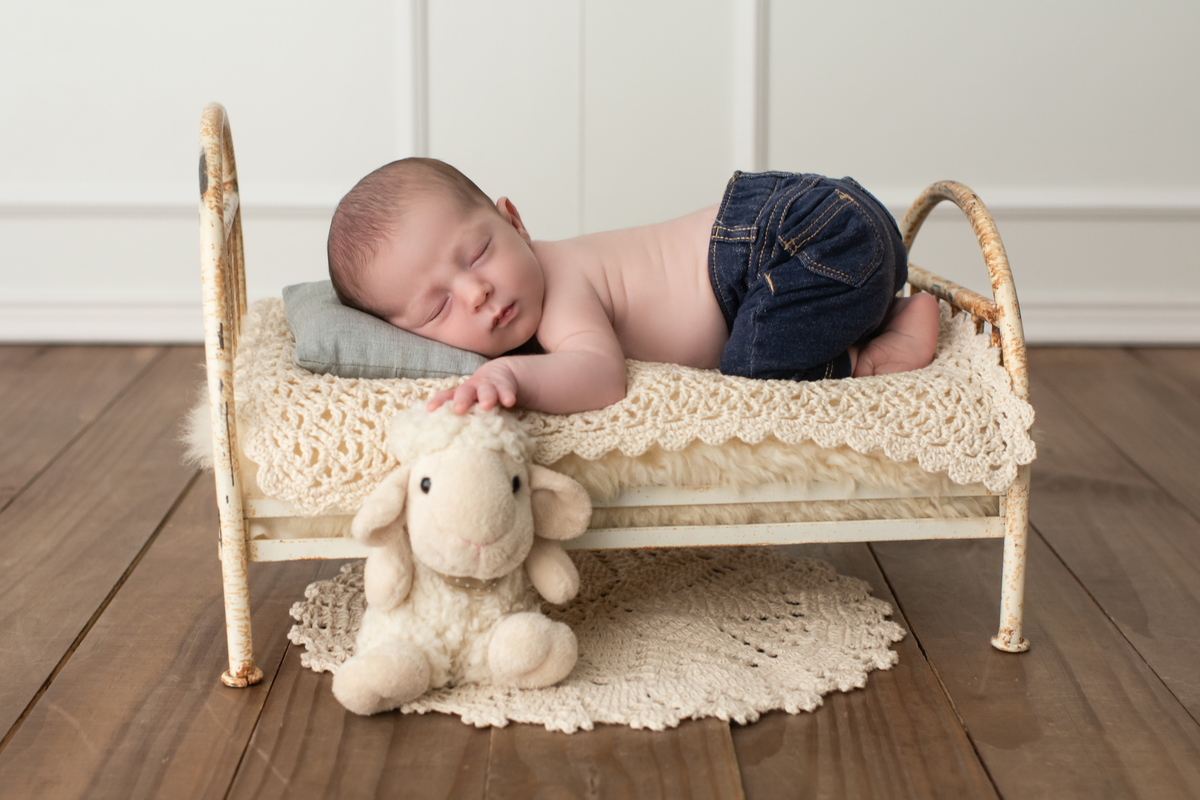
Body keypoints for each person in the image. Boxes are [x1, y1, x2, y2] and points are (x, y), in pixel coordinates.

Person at [327, 158, 939, 415]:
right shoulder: (532, 284)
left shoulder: (561, 287)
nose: (477, 292)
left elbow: (600, 374)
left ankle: (874, 357)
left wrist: (509, 377)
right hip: (837, 217)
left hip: (792, 238)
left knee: (751, 367)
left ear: (515, 221)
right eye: (439, 307)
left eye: (479, 252)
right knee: (785, 320)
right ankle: (883, 309)